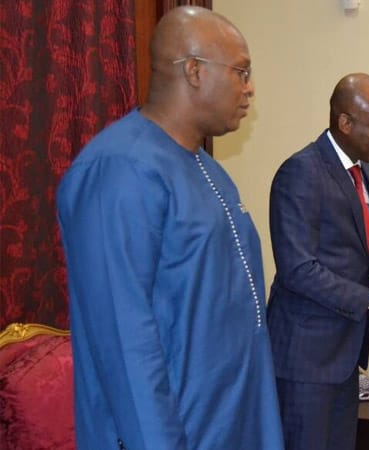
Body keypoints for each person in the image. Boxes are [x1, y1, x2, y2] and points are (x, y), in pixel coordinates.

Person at [56, 6, 283, 450]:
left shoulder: (210, 171)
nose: (250, 88)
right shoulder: (119, 168)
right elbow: (124, 342)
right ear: (194, 71)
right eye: (241, 72)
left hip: (233, 423)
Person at [267, 73, 369, 450]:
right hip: (305, 361)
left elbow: (365, 239)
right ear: (345, 122)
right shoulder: (301, 172)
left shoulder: (365, 169)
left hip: (344, 358)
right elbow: (298, 269)